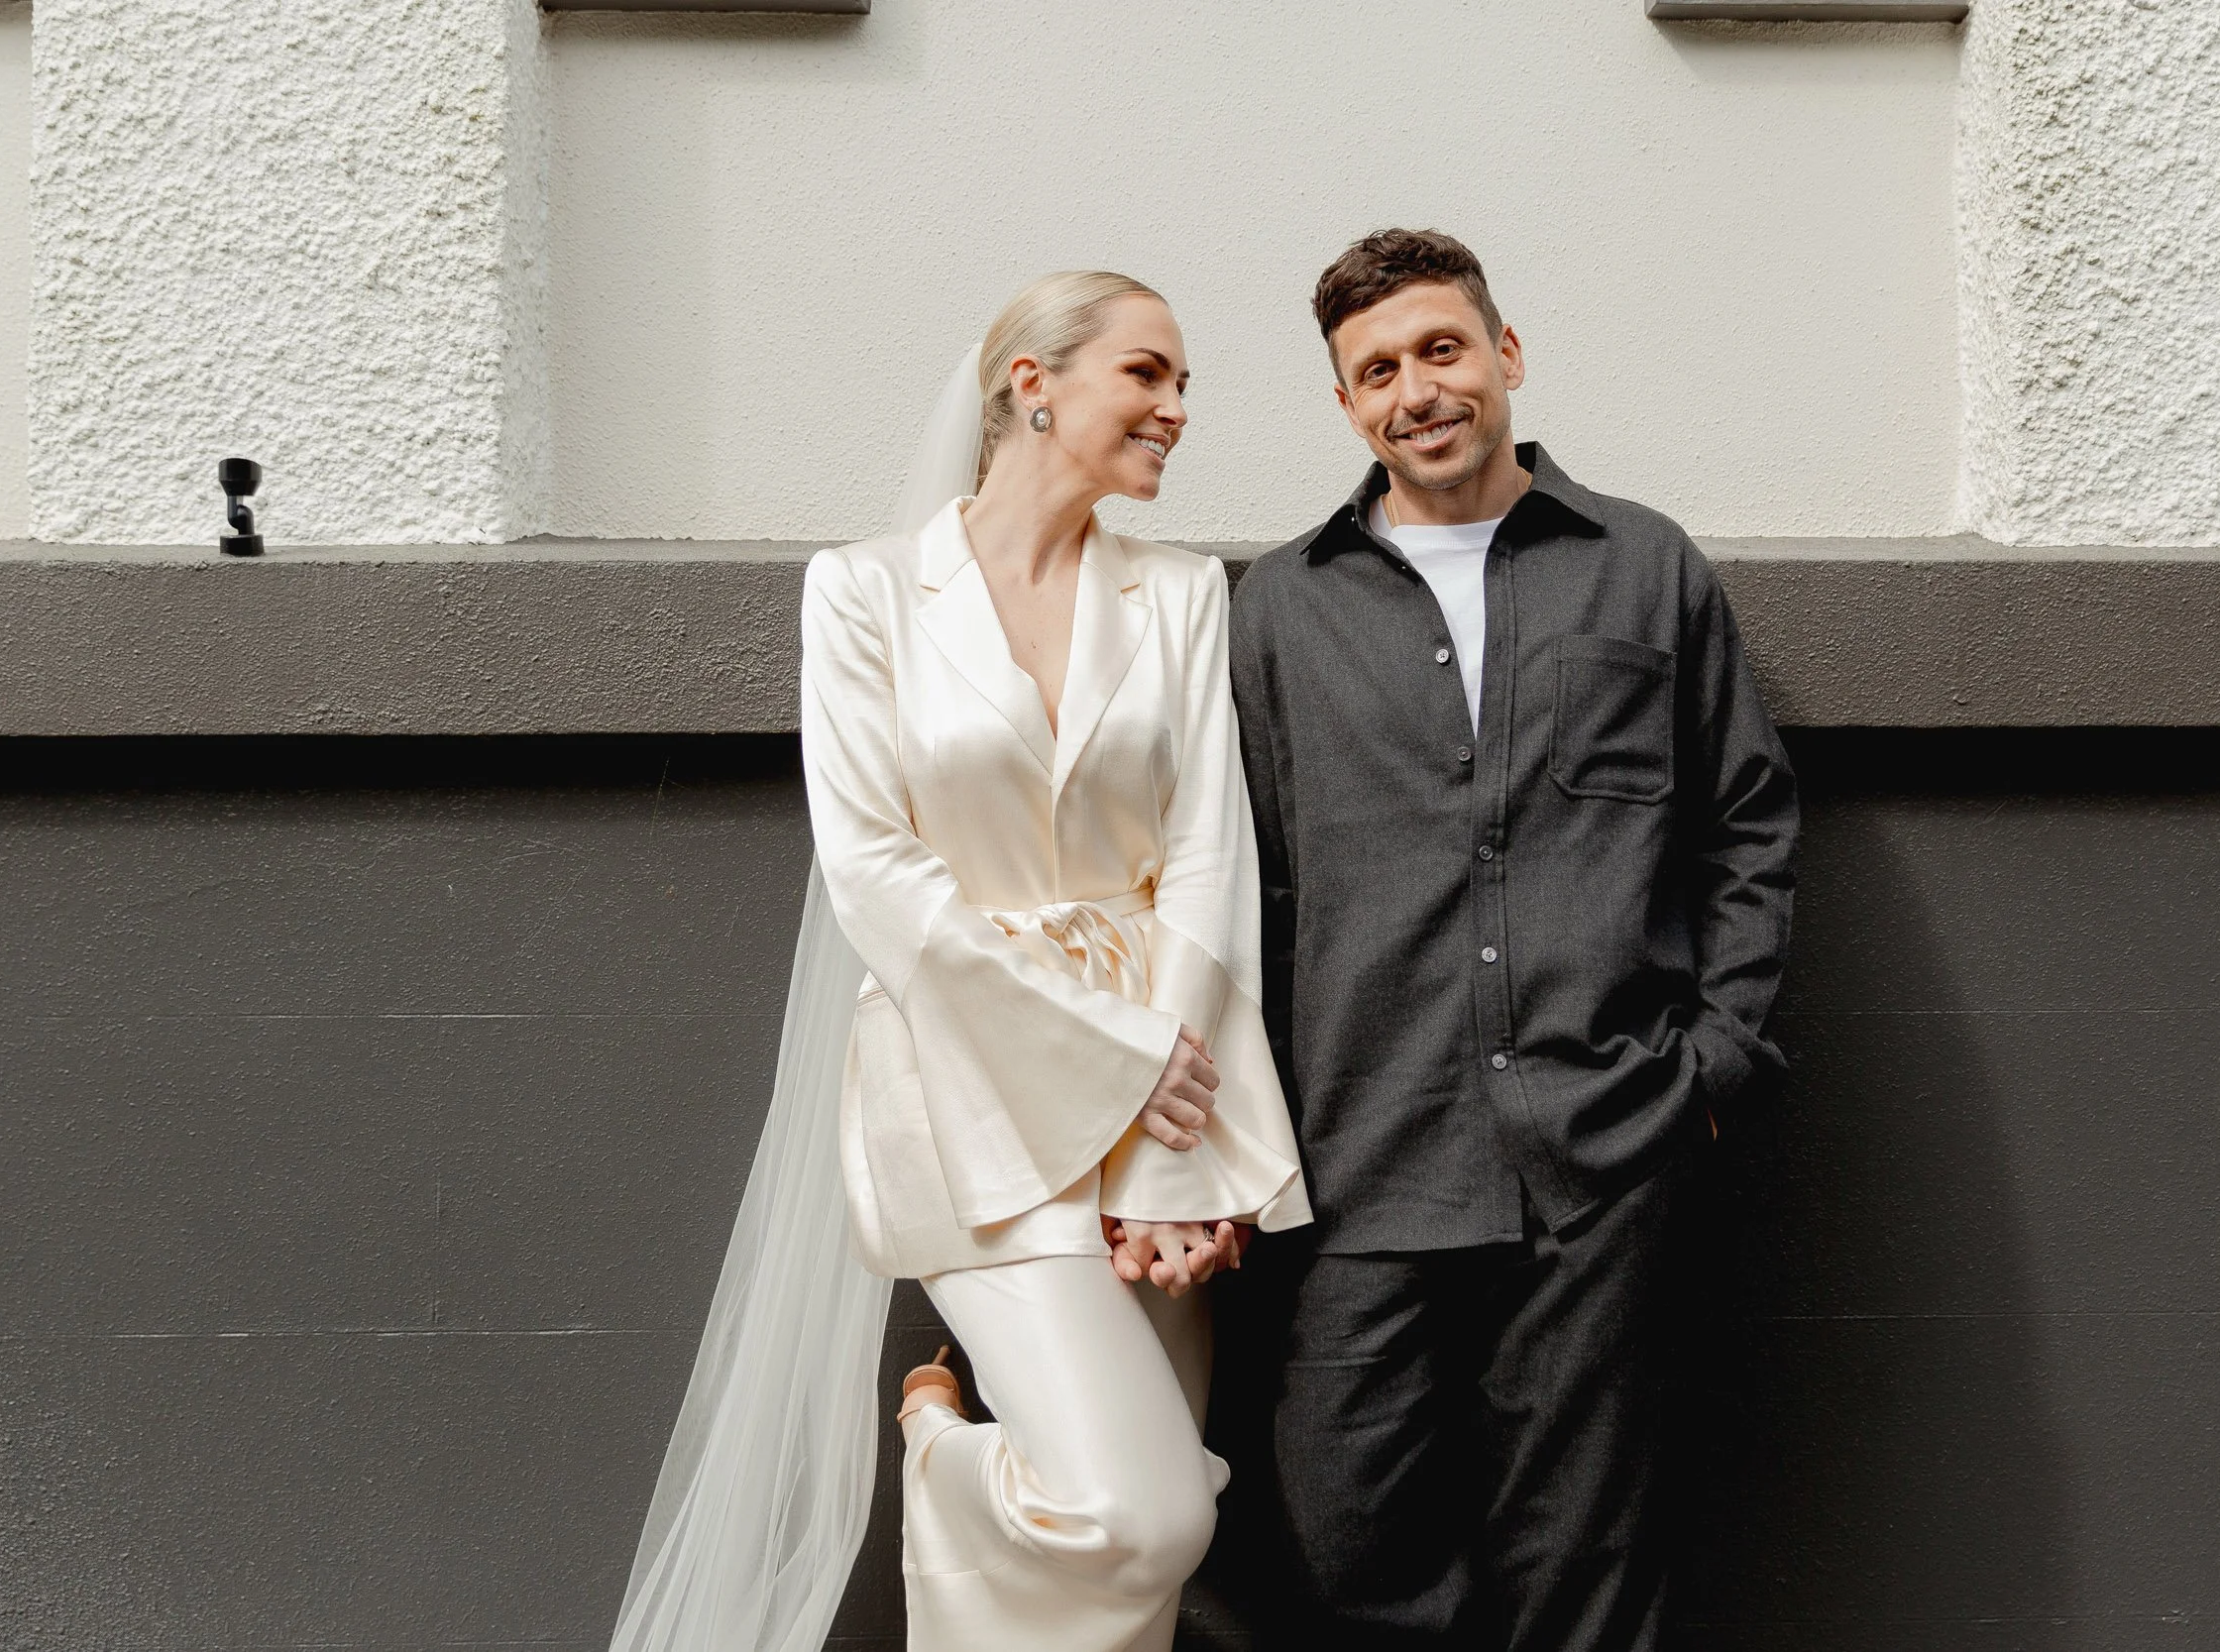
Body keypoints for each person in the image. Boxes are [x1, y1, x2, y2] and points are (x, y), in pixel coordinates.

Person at [608, 273, 1310, 1652]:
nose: (1177, 409)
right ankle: (943, 1456)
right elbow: (878, 873)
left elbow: (1207, 858)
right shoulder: (864, 593)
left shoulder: (1179, 593)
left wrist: (1169, 1152)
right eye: (1147, 373)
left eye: (1184, 385)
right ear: (1032, 383)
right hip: (968, 1088)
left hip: (1166, 1084)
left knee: (1137, 1562)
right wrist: (1116, 1067)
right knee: (1148, 1512)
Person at [1226, 228, 1799, 1649]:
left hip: (1600, 1153)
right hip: (1366, 1154)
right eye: (1377, 371)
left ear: (1506, 355)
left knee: (1582, 1562)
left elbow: (1744, 823)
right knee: (1345, 1535)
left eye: (1442, 350)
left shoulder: (1643, 566)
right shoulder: (1281, 606)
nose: (1416, 390)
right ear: (1345, 403)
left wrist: (1714, 1066)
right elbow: (1247, 883)